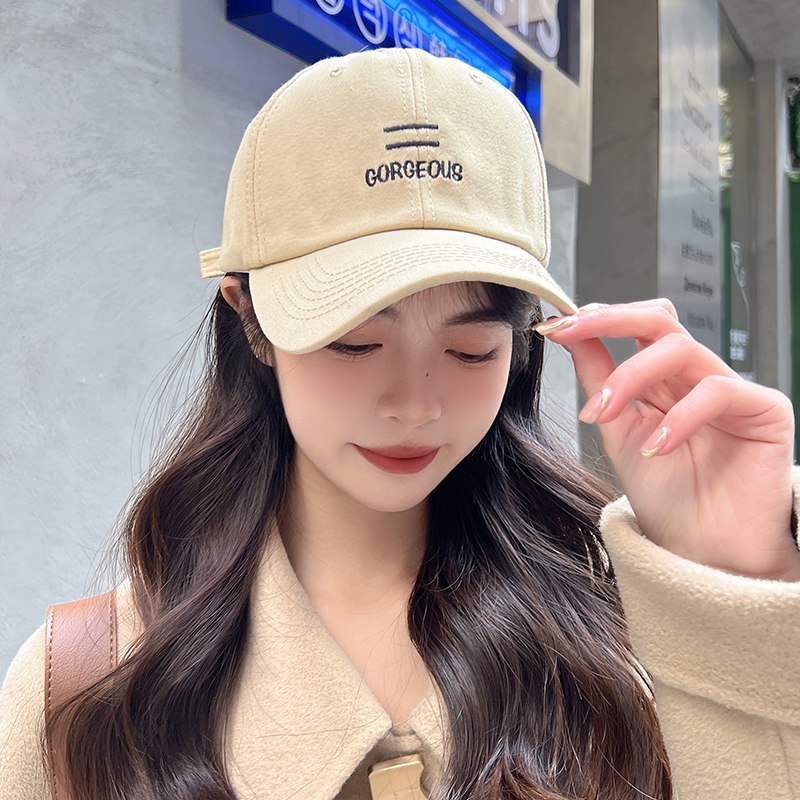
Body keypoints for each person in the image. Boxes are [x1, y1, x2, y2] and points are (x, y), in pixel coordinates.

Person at [1, 47, 798, 800]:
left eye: (470, 349)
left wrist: (735, 586)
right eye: (355, 342)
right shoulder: (88, 685)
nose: (415, 403)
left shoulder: (634, 641)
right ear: (250, 320)